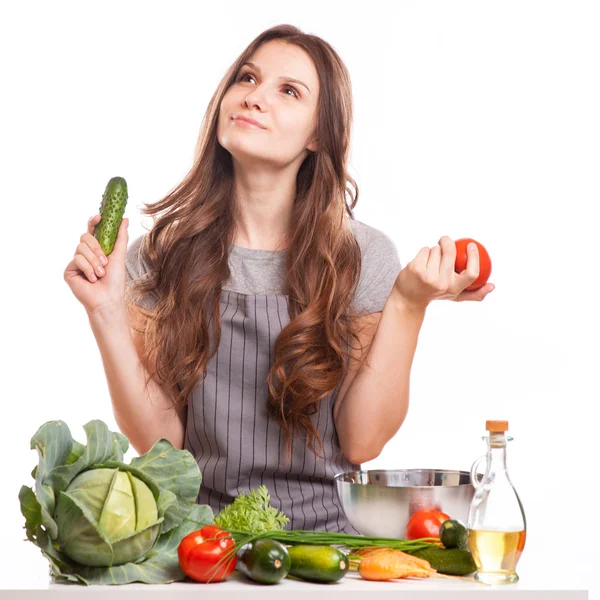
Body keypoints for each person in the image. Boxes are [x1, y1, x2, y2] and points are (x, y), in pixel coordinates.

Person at [64, 24, 494, 534]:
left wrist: (407, 303)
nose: (253, 97)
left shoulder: (362, 256)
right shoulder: (158, 256)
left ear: (318, 134)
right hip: (201, 547)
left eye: (288, 91)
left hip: (328, 550)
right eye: (247, 78)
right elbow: (163, 444)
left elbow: (362, 441)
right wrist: (106, 310)